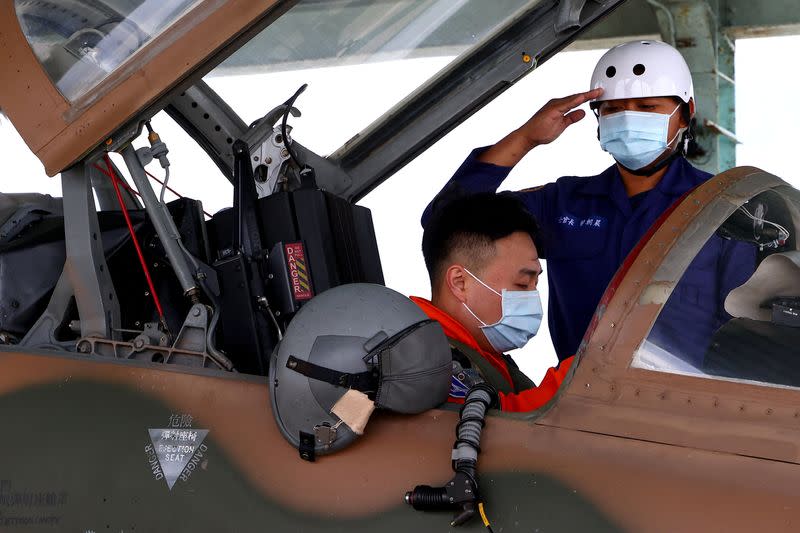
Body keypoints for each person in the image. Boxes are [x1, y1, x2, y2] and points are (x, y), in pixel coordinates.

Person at [422, 40, 755, 366]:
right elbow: (445, 222)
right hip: (579, 404)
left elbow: (745, 328)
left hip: (687, 406)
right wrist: (526, 138)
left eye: (647, 107)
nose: (627, 119)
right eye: (613, 109)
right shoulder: (564, 204)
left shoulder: (723, 205)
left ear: (685, 114)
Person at [413, 192, 571, 411]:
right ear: (460, 283)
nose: (533, 297)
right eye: (523, 284)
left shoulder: (481, 356)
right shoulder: (420, 362)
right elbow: (490, 424)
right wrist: (588, 374)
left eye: (536, 283)